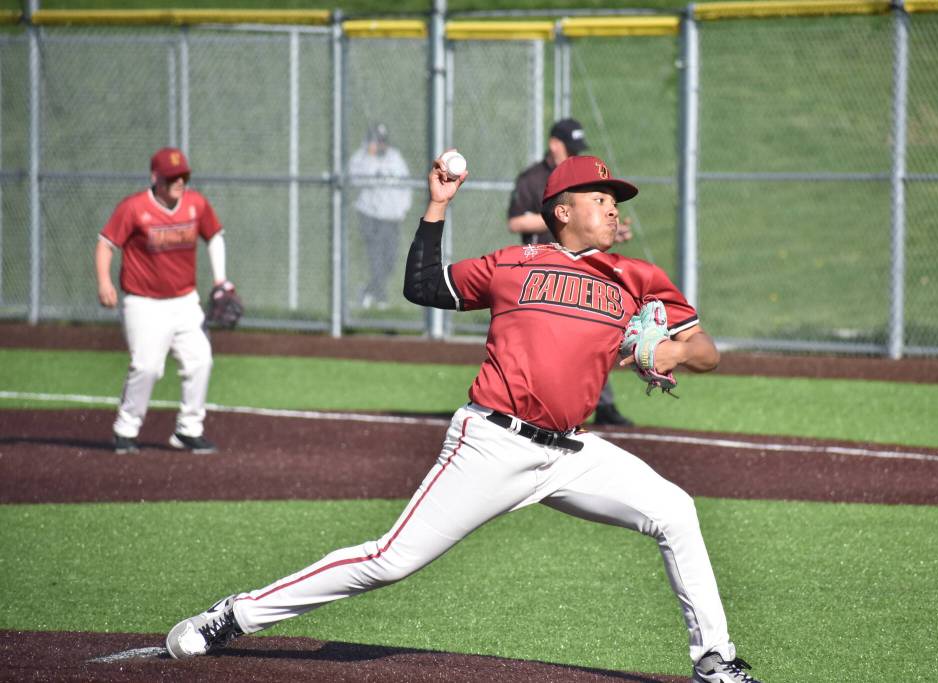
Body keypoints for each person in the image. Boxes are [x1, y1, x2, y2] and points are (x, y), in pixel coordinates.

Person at [165, 153, 763, 683]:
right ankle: (234, 615)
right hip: (492, 445)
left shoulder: (636, 278)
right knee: (389, 560)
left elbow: (706, 349)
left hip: (572, 453)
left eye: (615, 202)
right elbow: (422, 285)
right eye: (601, 200)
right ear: (561, 210)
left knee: (676, 511)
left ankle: (715, 660)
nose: (613, 211)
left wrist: (673, 351)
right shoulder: (512, 264)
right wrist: (437, 205)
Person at [94, 147, 231, 455]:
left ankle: (188, 430)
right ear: (155, 177)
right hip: (144, 303)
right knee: (147, 367)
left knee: (200, 360)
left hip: (185, 301)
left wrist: (221, 281)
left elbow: (215, 235)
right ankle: (126, 429)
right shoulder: (133, 208)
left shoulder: (196, 204)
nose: (179, 181)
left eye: (183, 175)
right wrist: (104, 281)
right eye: (172, 177)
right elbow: (106, 244)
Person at [508, 118, 633, 426]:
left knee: (589, 336)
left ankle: (601, 405)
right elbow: (515, 223)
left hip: (579, 267)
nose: (575, 154)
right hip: (541, 273)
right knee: (538, 343)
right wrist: (559, 219)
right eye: (570, 148)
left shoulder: (579, 181)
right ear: (554, 144)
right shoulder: (531, 179)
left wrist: (608, 231)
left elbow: (589, 224)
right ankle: (524, 402)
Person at [348, 123, 413, 309]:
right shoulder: (361, 158)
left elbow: (406, 185)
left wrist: (403, 209)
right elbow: (353, 179)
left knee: (390, 262)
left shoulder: (395, 158)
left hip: (391, 217)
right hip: (370, 215)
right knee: (376, 258)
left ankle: (368, 291)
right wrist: (369, 156)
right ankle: (381, 298)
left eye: (383, 142)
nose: (380, 145)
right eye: (377, 141)